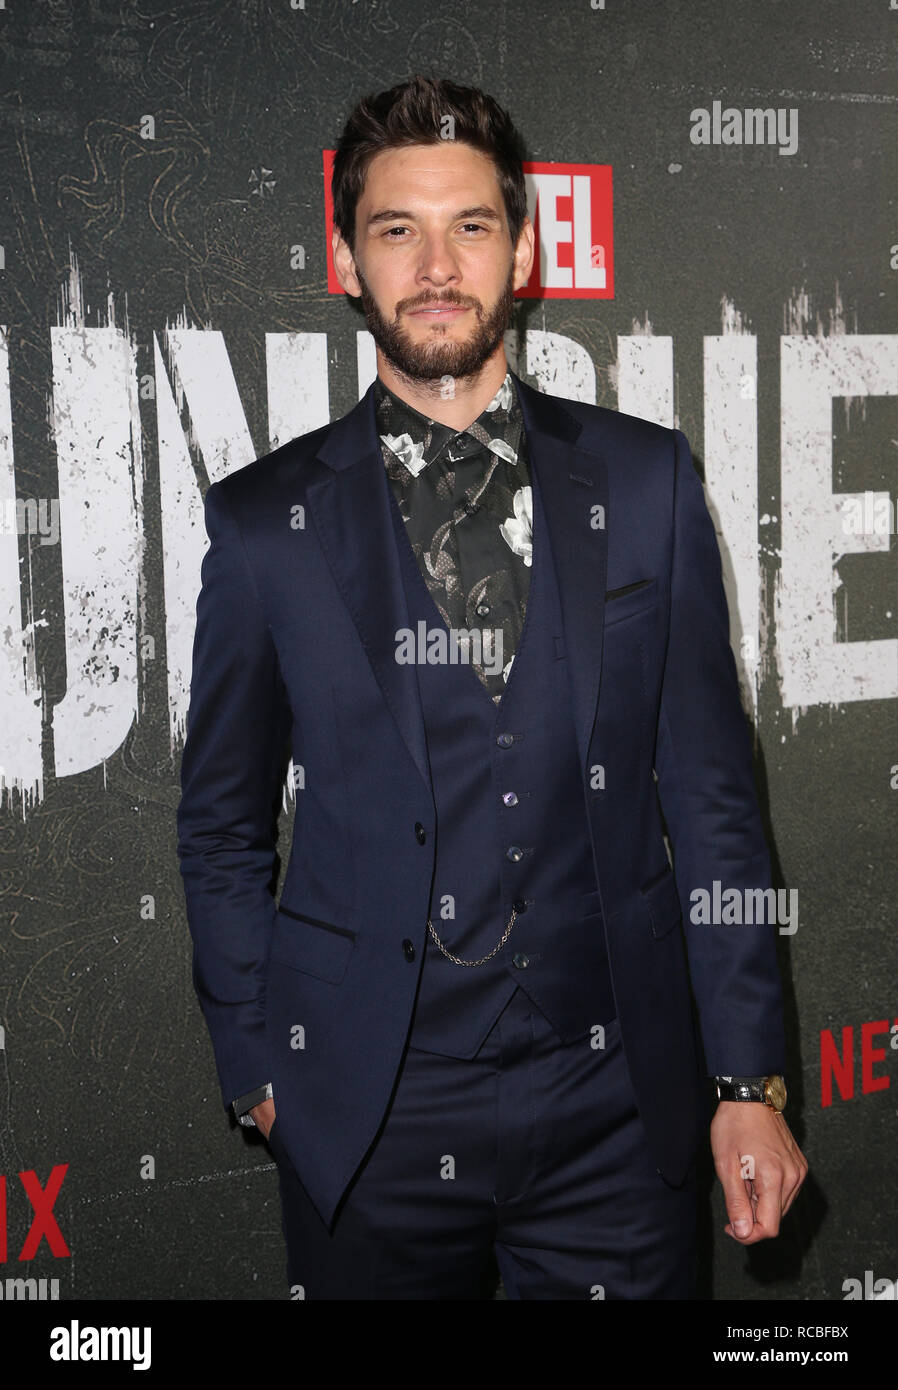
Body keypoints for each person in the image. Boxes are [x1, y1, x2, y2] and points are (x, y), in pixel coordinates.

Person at [176, 74, 807, 1300]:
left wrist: (744, 1081)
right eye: (394, 229)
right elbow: (219, 822)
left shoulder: (646, 481)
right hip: (369, 1116)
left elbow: (716, 803)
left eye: (469, 225)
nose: (434, 264)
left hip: (616, 1109)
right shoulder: (265, 524)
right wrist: (260, 1062)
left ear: (523, 251)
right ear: (347, 262)